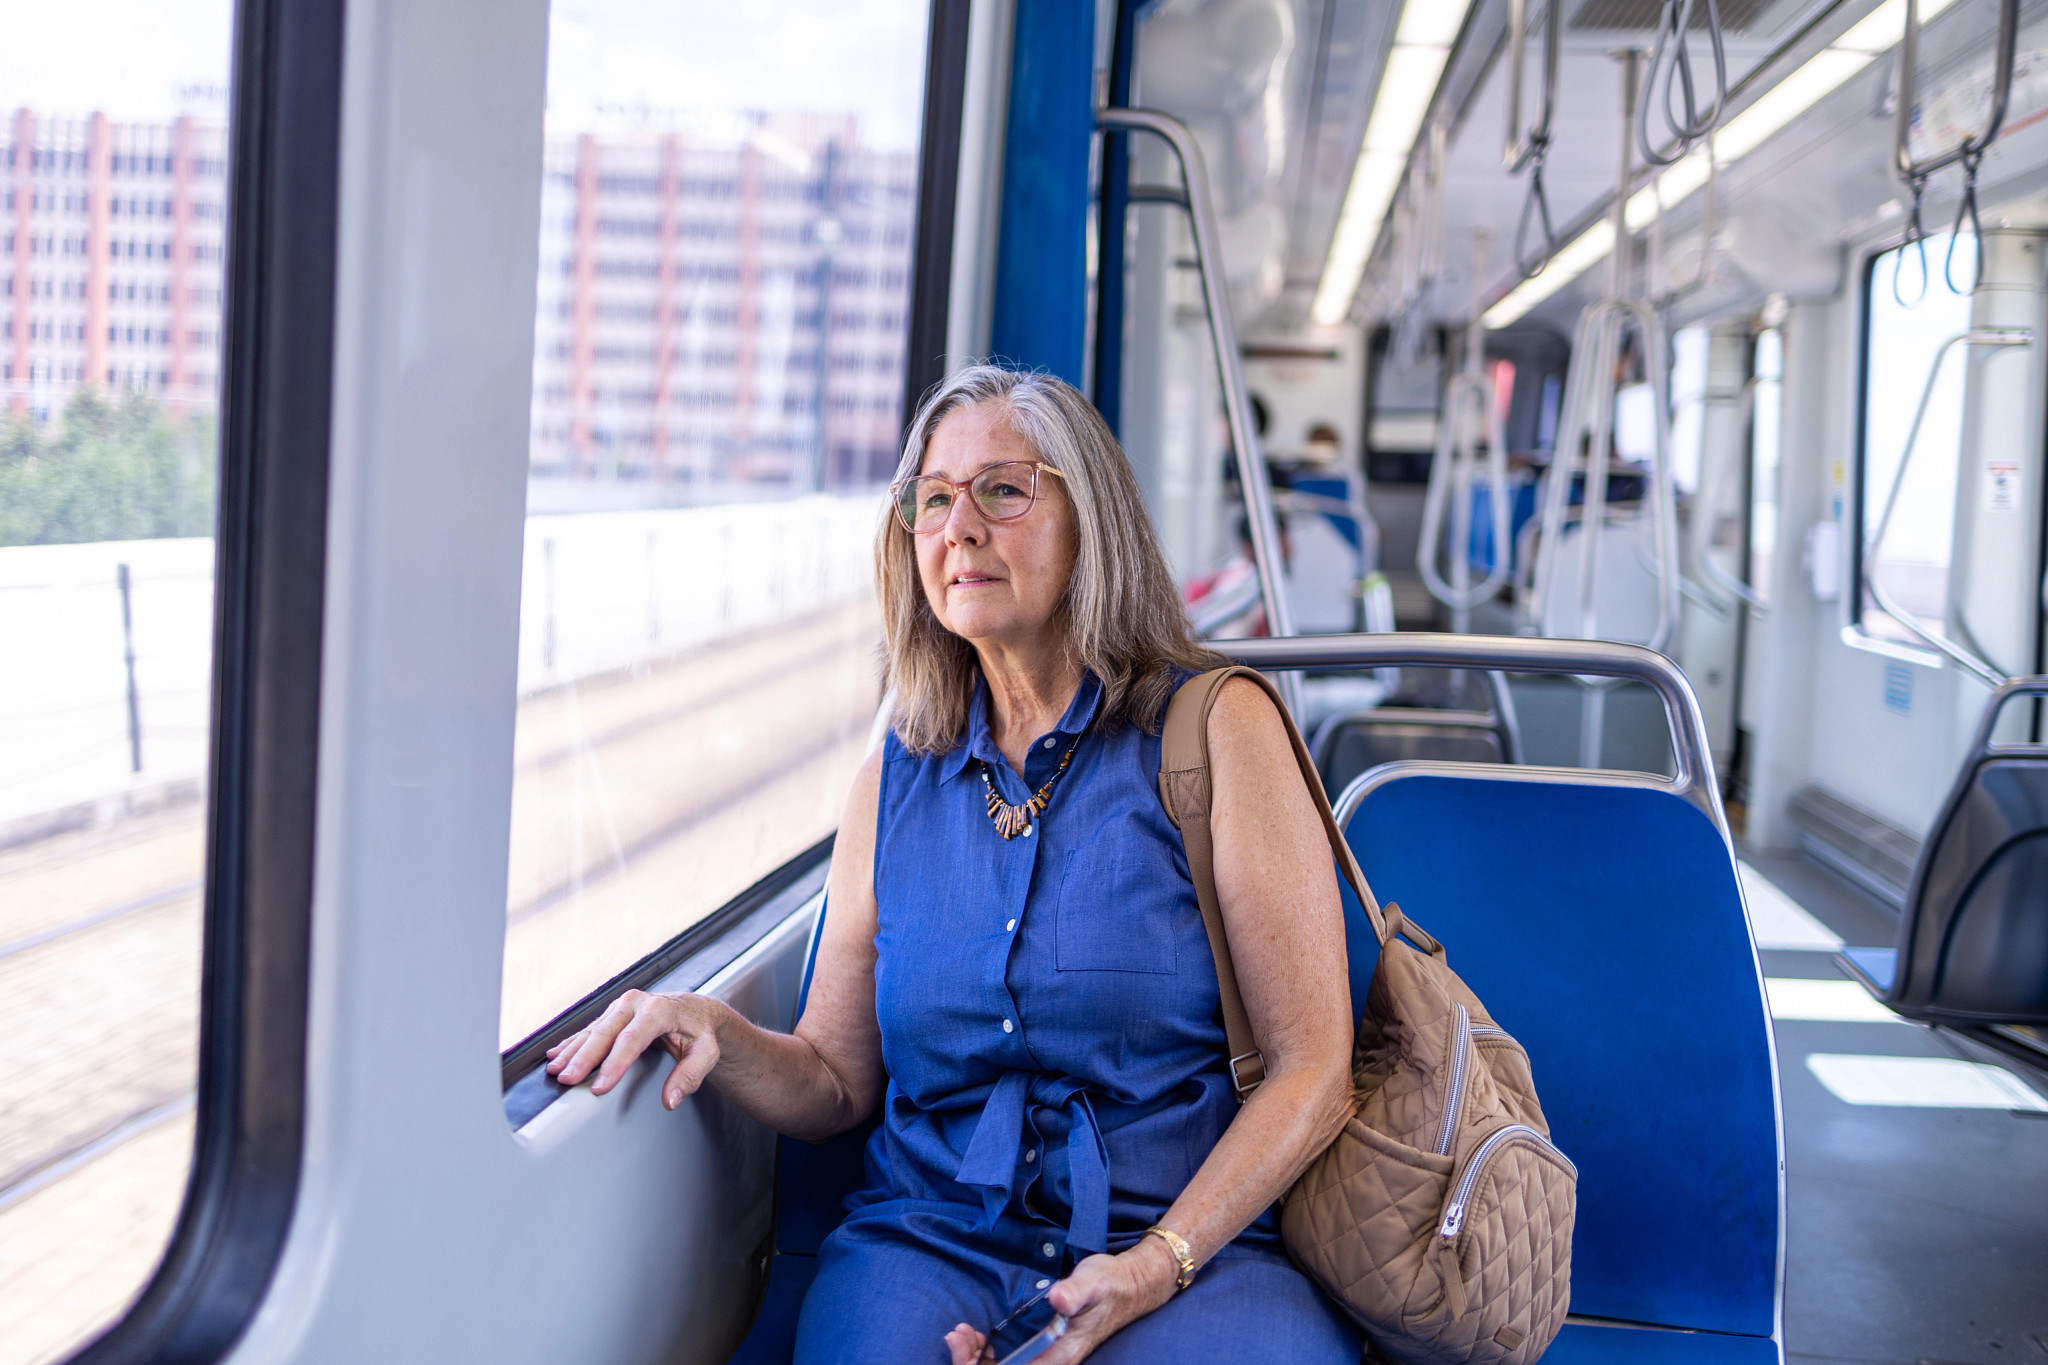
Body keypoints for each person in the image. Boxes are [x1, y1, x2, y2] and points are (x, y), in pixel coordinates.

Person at [546, 366, 1359, 1365]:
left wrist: (1153, 1265)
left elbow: (1313, 1069)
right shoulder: (891, 781)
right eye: (930, 499)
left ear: (1088, 519)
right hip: (934, 1239)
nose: (957, 527)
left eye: (1002, 491)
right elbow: (836, 1082)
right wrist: (712, 1024)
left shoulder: (1214, 731)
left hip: (1189, 1247)